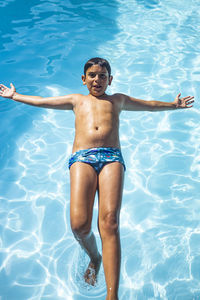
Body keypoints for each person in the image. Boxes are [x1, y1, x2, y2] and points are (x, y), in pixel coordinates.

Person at [0, 57, 194, 300]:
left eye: (102, 76)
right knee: (79, 226)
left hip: (112, 157)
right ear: (83, 80)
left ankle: (112, 296)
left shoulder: (118, 100)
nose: (97, 80)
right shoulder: (76, 100)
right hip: (82, 158)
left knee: (110, 222)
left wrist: (172, 105)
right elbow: (43, 101)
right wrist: (15, 96)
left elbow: (148, 104)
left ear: (110, 80)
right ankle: (95, 257)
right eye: (92, 75)